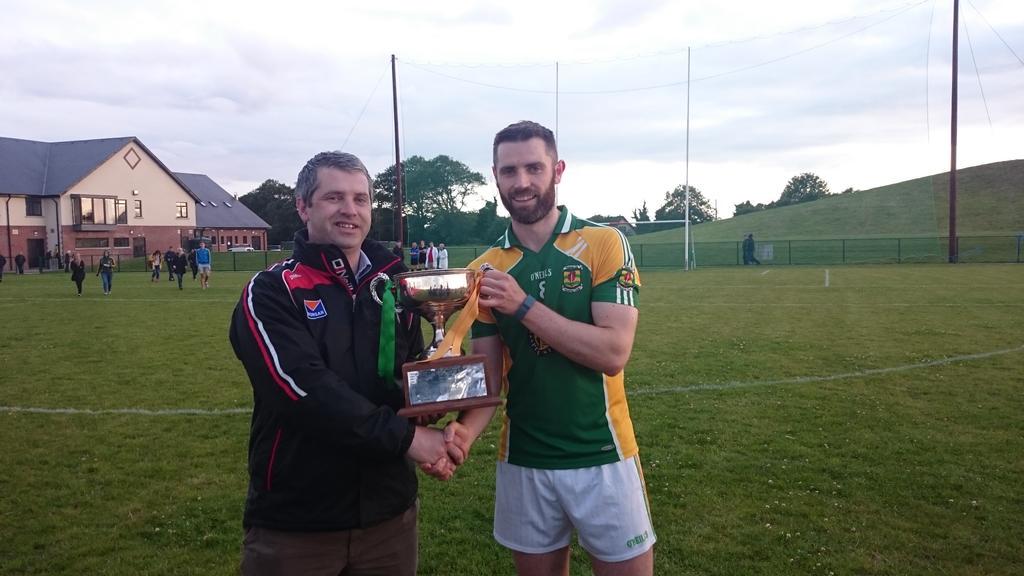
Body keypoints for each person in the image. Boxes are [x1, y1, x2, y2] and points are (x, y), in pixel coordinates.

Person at [229, 150, 458, 576]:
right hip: (298, 524)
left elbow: (403, 379)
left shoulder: (396, 284)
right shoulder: (272, 290)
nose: (350, 211)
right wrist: (409, 441)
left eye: (361, 199)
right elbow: (305, 393)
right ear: (303, 206)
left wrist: (439, 397)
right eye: (334, 198)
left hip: (390, 518)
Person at [445, 121, 654, 576]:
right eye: (509, 170)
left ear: (557, 170)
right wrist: (462, 434)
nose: (522, 182)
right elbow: (489, 380)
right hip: (524, 460)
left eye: (533, 168)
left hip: (604, 456)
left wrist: (522, 305)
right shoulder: (483, 269)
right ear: (495, 176)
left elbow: (612, 352)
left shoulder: (603, 243)